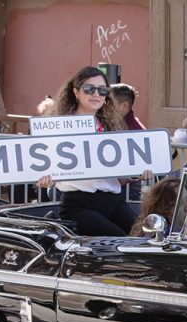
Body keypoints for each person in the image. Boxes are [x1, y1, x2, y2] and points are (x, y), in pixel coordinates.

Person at [35, 66, 138, 236]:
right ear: (76, 92)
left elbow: (119, 174)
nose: (96, 94)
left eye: (102, 90)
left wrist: (137, 173)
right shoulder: (60, 125)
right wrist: (46, 177)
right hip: (79, 204)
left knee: (143, 238)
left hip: (113, 200)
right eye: (89, 89)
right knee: (119, 241)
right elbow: (45, 162)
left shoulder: (110, 125)